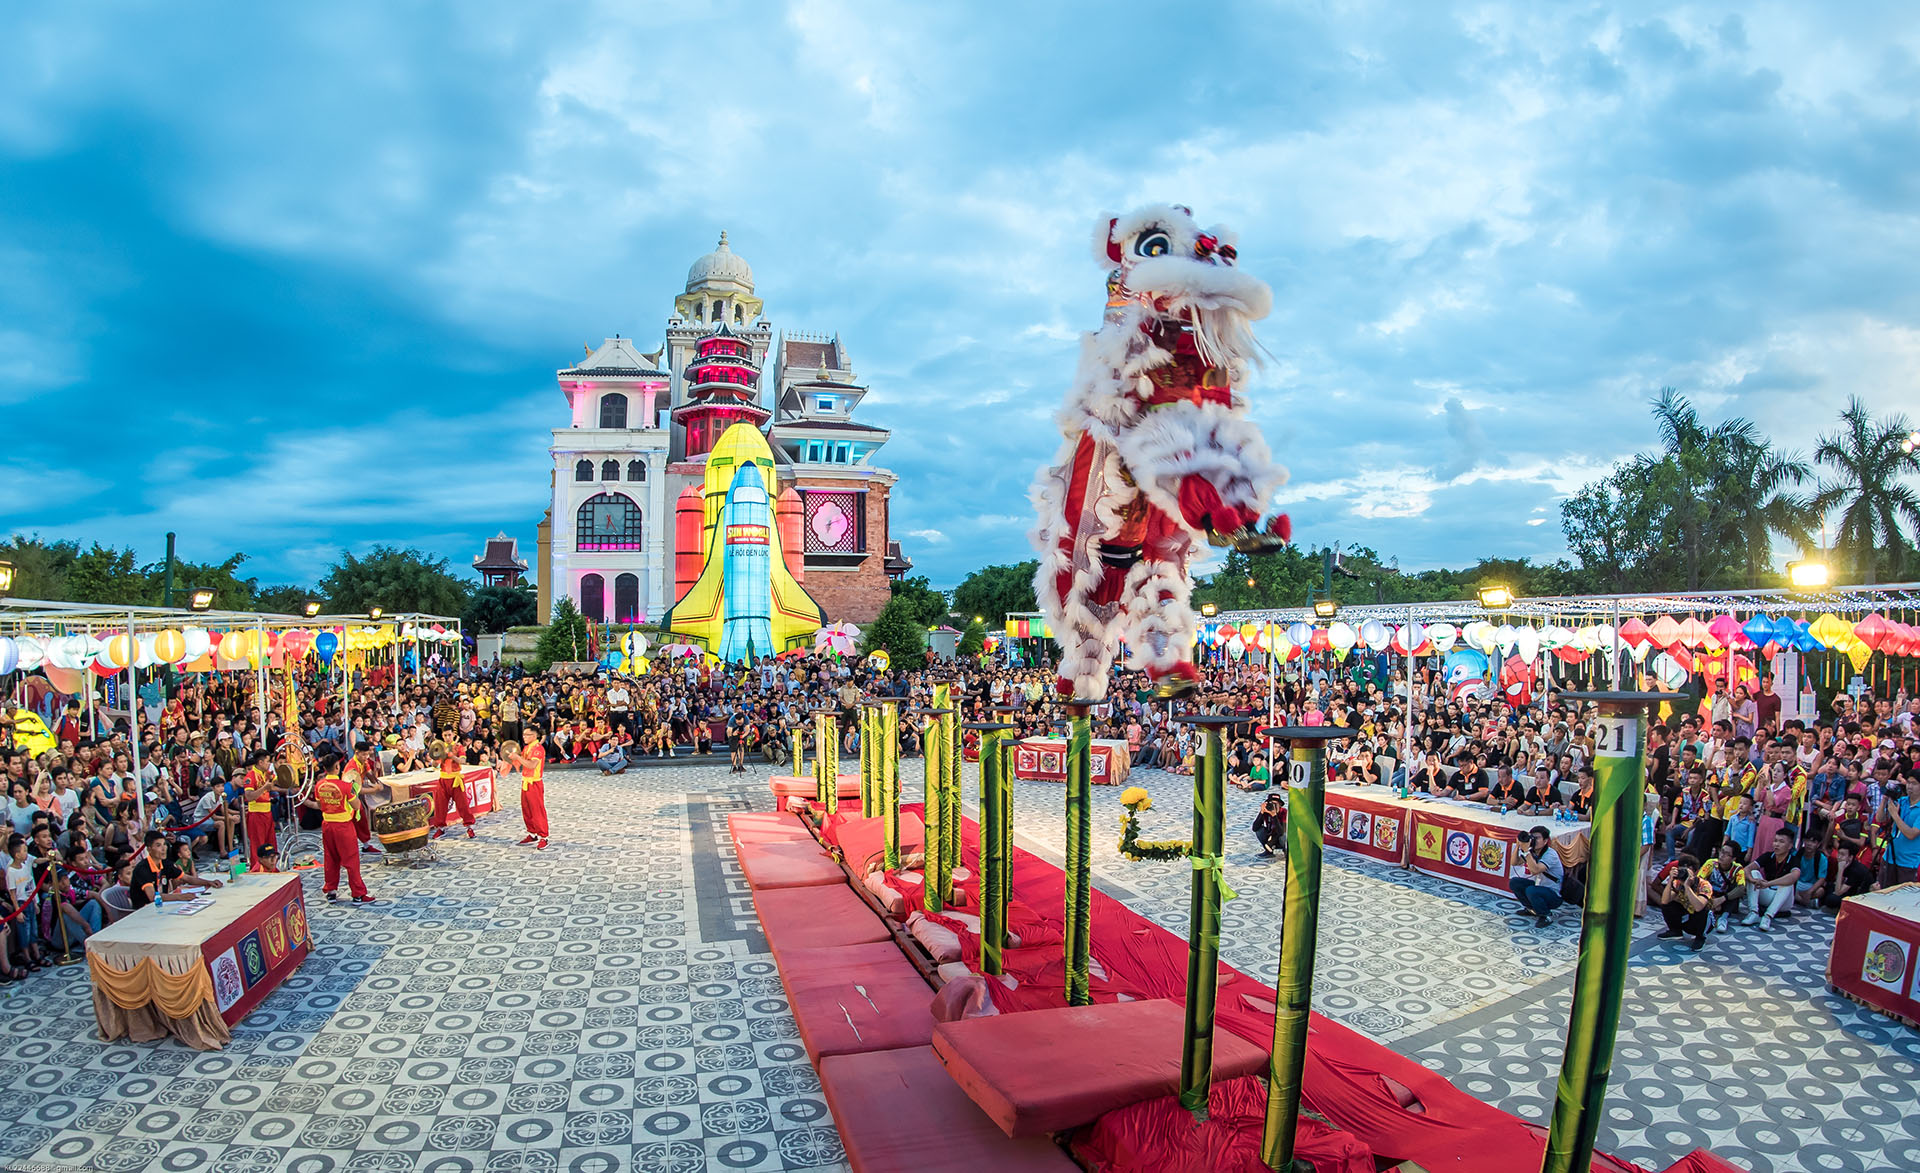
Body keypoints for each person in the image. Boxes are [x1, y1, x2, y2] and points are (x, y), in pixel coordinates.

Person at [309, 752, 372, 903]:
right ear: (337, 767)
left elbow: (319, 805)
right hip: (343, 826)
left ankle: (331, 891)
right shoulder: (345, 786)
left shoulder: (319, 785)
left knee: (330, 858)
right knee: (351, 860)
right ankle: (357, 893)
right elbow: (356, 805)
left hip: (327, 825)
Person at [1741, 829, 1801, 931]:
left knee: (1788, 882)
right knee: (1754, 873)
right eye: (1775, 841)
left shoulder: (1794, 860)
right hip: (1767, 894)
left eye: (1781, 842)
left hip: (1783, 901)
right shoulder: (1768, 856)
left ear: (1790, 846)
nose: (1776, 844)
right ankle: (1753, 912)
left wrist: (1769, 883)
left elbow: (1795, 876)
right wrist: (1753, 880)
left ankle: (1767, 917)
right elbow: (1746, 869)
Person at [1508, 825, 1565, 927]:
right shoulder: (1533, 852)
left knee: (1531, 890)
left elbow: (1535, 870)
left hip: (1554, 895)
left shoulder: (1550, 854)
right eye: (1532, 838)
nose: (1534, 841)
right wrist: (1518, 845)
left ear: (1545, 841)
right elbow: (1514, 862)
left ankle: (1545, 915)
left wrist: (1526, 852)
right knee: (1515, 882)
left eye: (1537, 838)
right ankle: (1532, 909)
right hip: (1540, 888)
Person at [1653, 854, 1713, 950]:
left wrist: (1687, 886)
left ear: (1696, 872)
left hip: (1703, 921)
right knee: (1669, 903)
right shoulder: (1677, 883)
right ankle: (1675, 931)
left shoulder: (1704, 885)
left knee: (1704, 911)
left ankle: (1700, 938)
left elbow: (1699, 907)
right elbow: (1664, 901)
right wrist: (1670, 880)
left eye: (1688, 870)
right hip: (1687, 918)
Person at [500, 739, 549, 849]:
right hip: (525, 781)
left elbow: (532, 765)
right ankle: (532, 833)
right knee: (526, 809)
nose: (525, 737)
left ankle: (544, 837)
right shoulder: (526, 748)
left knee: (537, 810)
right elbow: (521, 761)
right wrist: (509, 758)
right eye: (524, 735)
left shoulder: (538, 748)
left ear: (534, 735)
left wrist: (517, 757)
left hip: (535, 783)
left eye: (527, 735)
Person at [427, 741, 476, 841]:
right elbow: (435, 765)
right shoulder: (440, 746)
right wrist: (435, 758)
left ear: (453, 734)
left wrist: (452, 756)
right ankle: (440, 828)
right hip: (443, 780)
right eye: (445, 735)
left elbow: (462, 761)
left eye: (449, 734)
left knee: (463, 805)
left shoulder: (458, 746)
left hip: (456, 780)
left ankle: (469, 827)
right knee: (440, 805)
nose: (447, 737)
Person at [241, 750, 277, 868]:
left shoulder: (266, 773)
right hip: (256, 814)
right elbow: (249, 796)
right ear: (260, 762)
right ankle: (257, 869)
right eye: (267, 761)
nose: (268, 764)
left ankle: (271, 868)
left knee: (270, 843)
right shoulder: (250, 776)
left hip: (267, 813)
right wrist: (264, 788)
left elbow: (274, 785)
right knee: (258, 845)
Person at [1823, 843, 1874, 909]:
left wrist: (1840, 869)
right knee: (1828, 886)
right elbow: (1836, 883)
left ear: (1850, 857)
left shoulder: (1855, 870)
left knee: (1832, 899)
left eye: (1842, 855)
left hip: (1861, 897)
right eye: (1839, 853)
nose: (1839, 857)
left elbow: (1838, 892)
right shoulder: (1845, 864)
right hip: (1849, 890)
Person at [1253, 792, 1286, 857]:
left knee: (1284, 835)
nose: (1274, 806)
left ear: (1280, 805)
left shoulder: (1284, 812)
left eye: (1276, 804)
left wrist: (1274, 816)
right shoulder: (1266, 811)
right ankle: (1268, 851)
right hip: (1270, 837)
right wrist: (1261, 812)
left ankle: (1286, 851)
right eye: (1272, 804)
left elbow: (1281, 832)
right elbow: (1254, 828)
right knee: (1259, 830)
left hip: (1281, 839)